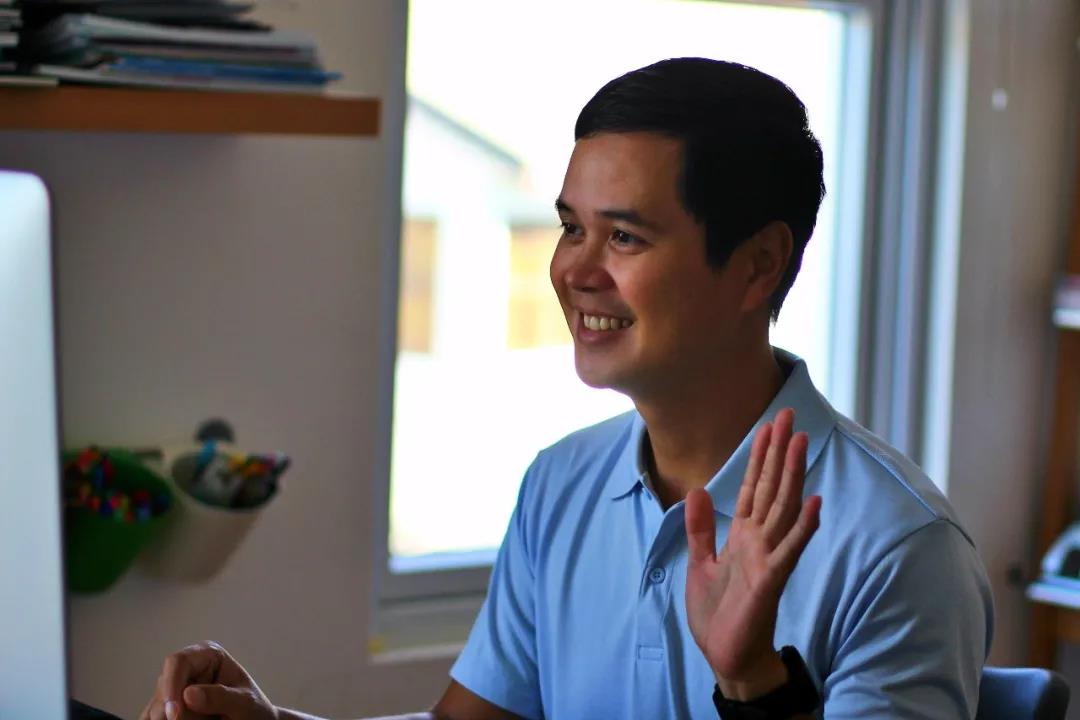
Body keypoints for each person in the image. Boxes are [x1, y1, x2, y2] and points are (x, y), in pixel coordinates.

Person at [141, 58, 993, 720]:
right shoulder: (561, 484)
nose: (572, 271)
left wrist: (752, 682)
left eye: (624, 237)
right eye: (570, 227)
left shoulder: (898, 548)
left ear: (758, 264)